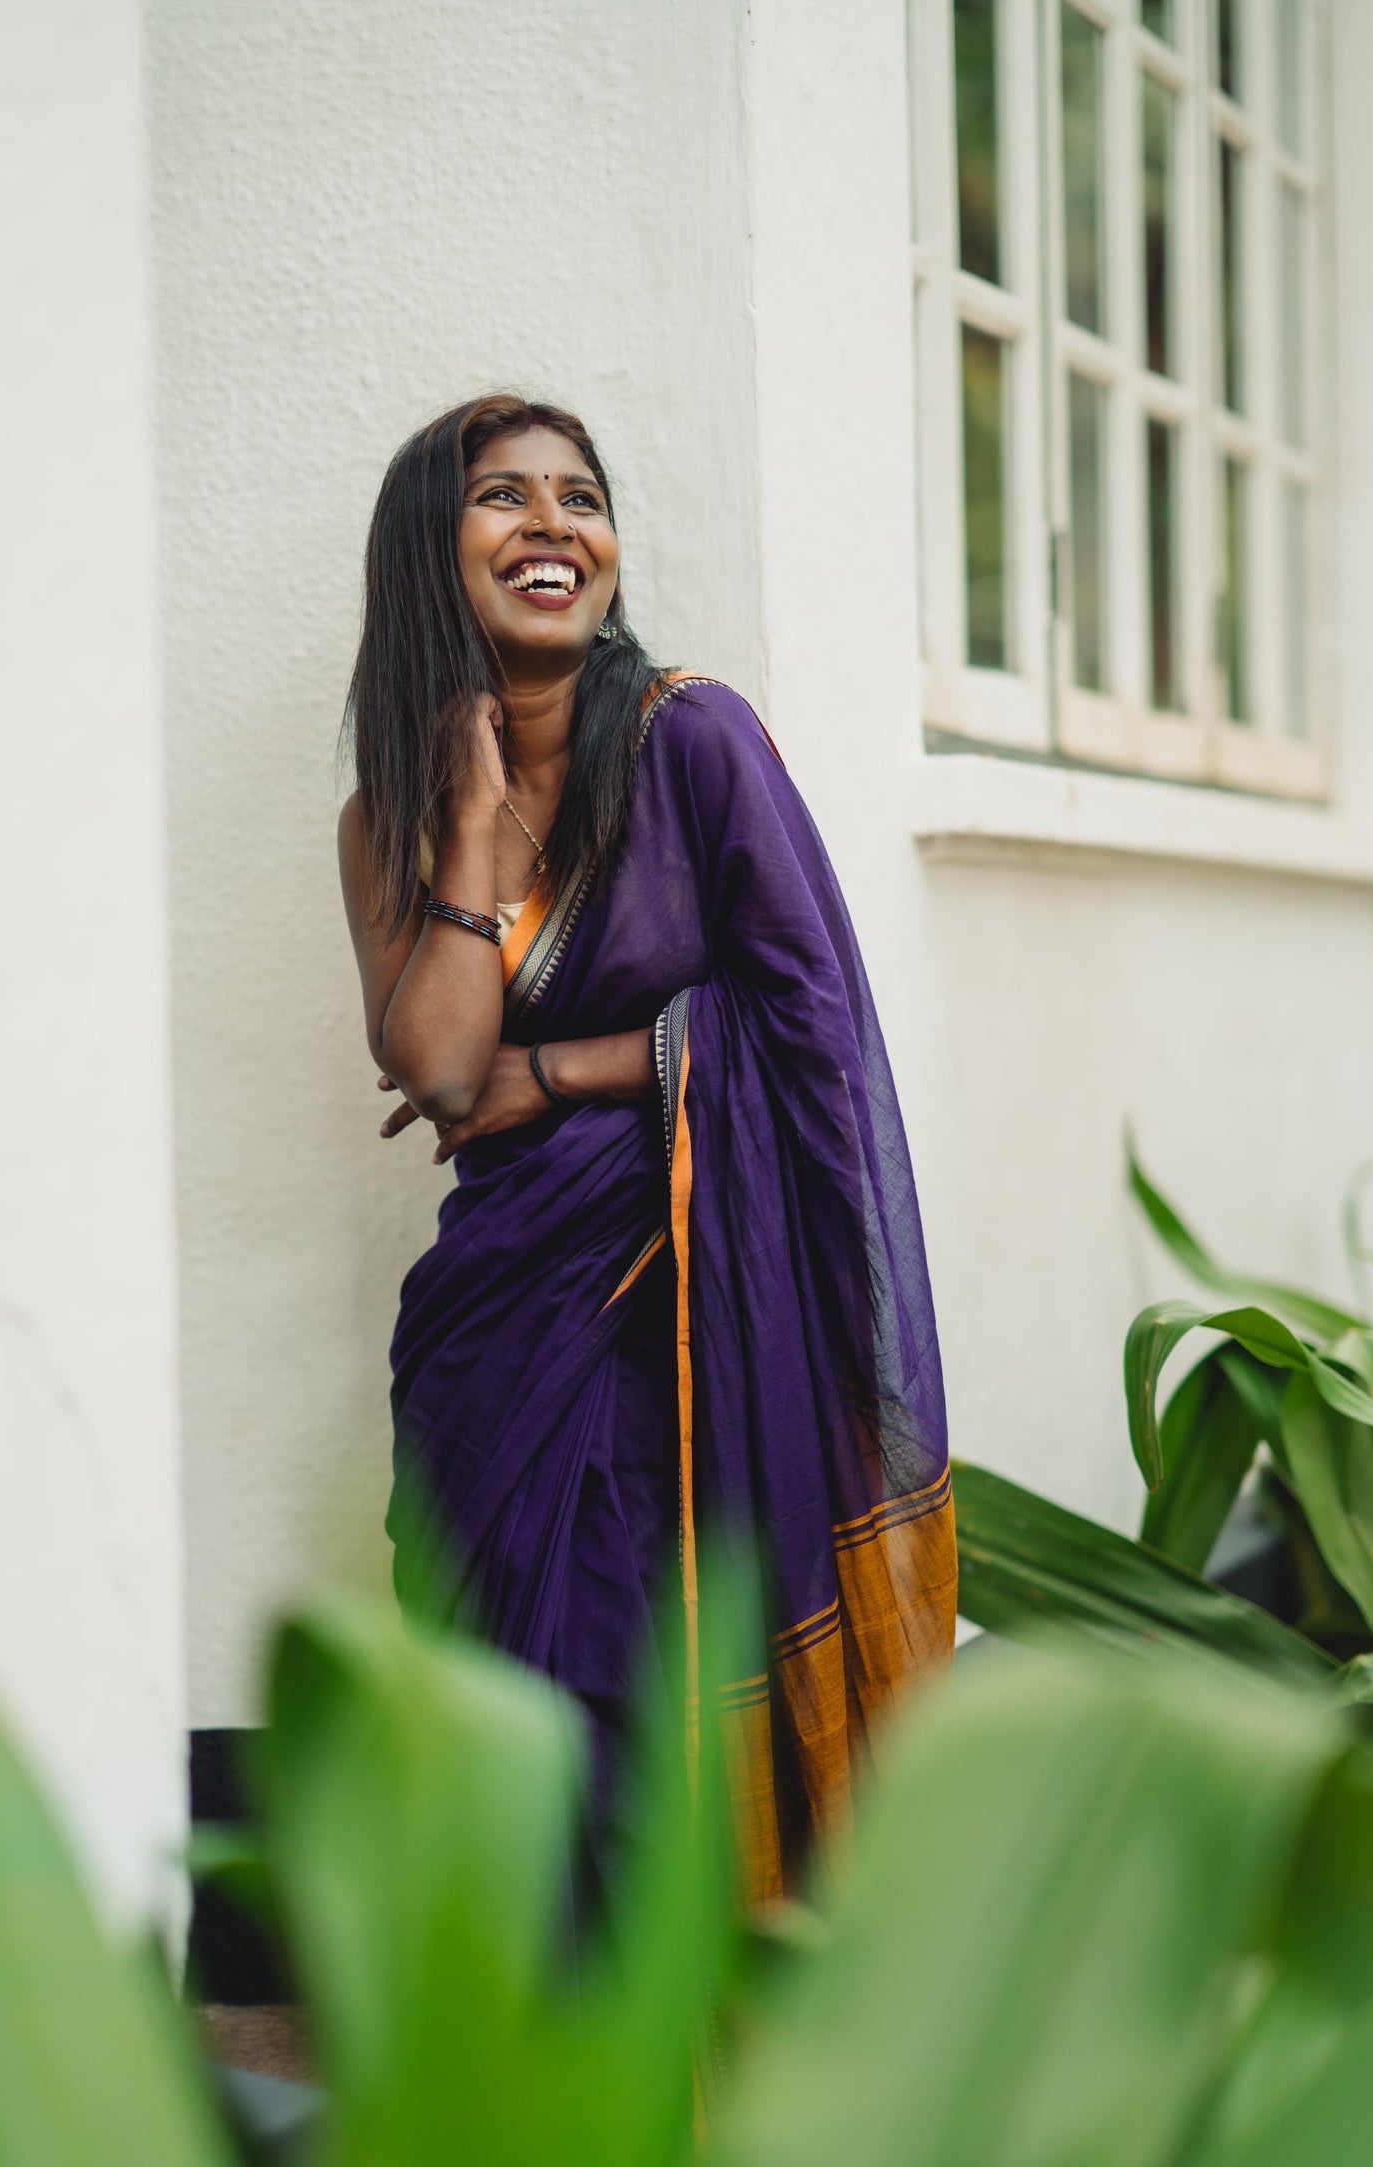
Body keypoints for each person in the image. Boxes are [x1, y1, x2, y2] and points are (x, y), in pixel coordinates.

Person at [338, 392, 954, 1904]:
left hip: (688, 1320)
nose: (554, 523)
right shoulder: (392, 820)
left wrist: (550, 1071)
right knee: (505, 1714)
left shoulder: (694, 742)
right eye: (504, 496)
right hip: (501, 1333)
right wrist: (474, 835)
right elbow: (428, 1059)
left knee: (633, 1697)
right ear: (432, 549)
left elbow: (804, 1012)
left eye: (581, 495)